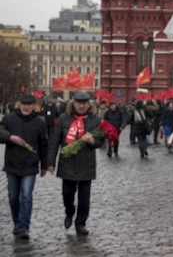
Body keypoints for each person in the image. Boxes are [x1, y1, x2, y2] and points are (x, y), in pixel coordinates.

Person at [47, 91, 104, 236]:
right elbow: (55, 141)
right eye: (79, 103)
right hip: (67, 162)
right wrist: (50, 162)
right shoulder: (63, 119)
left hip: (86, 163)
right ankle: (69, 211)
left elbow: (101, 141)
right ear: (74, 103)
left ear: (88, 104)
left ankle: (80, 224)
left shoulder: (95, 119)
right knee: (67, 193)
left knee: (84, 197)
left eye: (84, 103)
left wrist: (93, 141)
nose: (81, 106)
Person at [0, 94, 49, 239]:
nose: (26, 106)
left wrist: (44, 165)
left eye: (29, 104)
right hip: (12, 164)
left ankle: (23, 227)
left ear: (34, 105)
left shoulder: (40, 122)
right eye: (24, 104)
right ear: (19, 104)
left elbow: (43, 145)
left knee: (26, 195)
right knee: (13, 197)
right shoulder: (9, 119)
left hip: (30, 164)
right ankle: (16, 222)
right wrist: (10, 137)